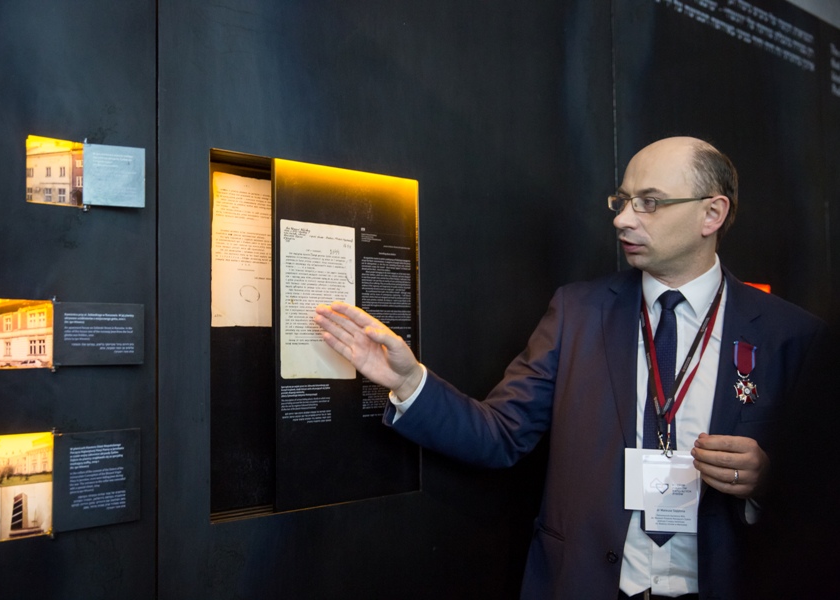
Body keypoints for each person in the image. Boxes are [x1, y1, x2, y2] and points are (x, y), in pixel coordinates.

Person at [314, 136, 828, 599]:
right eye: (622, 200)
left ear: (711, 214)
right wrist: (409, 382)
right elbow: (500, 434)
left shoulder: (790, 336)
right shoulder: (578, 313)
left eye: (649, 203)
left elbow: (823, 498)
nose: (622, 219)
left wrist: (767, 479)